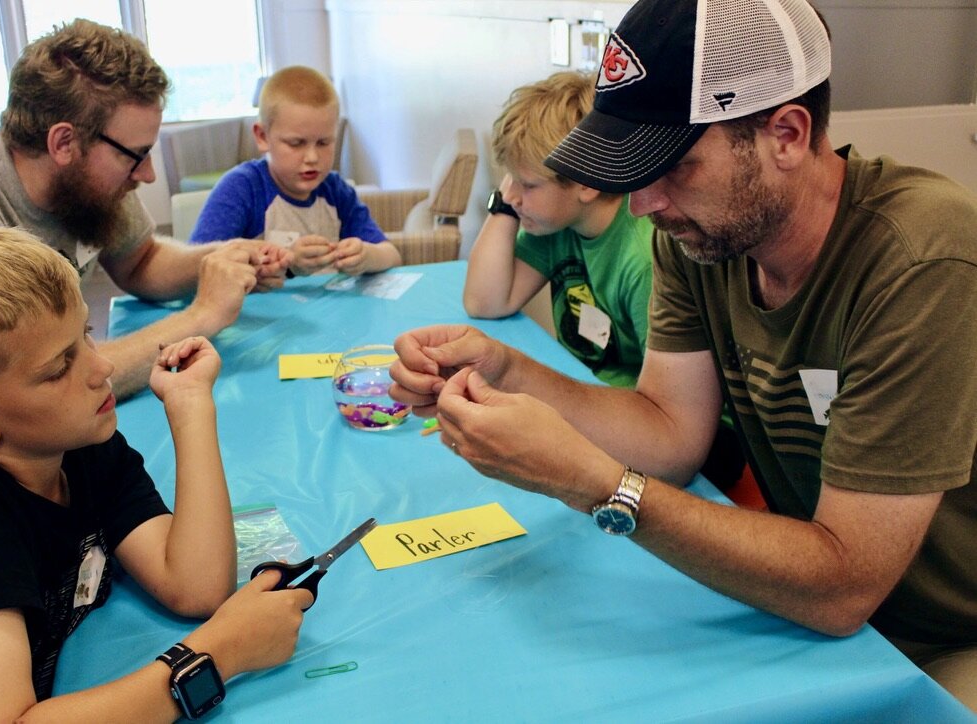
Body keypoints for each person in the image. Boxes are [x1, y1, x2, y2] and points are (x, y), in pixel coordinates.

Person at [389, 0, 977, 709]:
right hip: (826, 607)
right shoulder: (702, 237)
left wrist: (595, 485)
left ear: (786, 134)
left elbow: (845, 585)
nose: (643, 206)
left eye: (672, 166)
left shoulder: (920, 260)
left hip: (944, 631)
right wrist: (506, 370)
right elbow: (668, 433)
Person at [0, 224, 311, 722]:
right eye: (57, 368)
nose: (101, 369)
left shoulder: (80, 449)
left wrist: (191, 405)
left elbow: (195, 585)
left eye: (86, 335)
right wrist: (217, 655)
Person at [0, 19, 288, 495]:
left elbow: (140, 261)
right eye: (134, 154)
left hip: (32, 389)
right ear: (63, 143)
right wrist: (204, 314)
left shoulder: (89, 184)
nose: (146, 174)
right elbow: (47, 384)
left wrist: (222, 260)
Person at [464, 71, 744, 489]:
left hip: (681, 436)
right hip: (601, 399)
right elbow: (485, 301)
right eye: (510, 183)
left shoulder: (644, 257)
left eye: (527, 184)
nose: (513, 196)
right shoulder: (556, 228)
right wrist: (505, 209)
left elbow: (672, 425)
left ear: (584, 185)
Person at [189, 65, 402, 276]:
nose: (312, 158)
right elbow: (200, 267)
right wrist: (287, 263)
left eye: (324, 142)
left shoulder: (337, 191)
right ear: (262, 137)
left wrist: (367, 257)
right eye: (296, 143)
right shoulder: (242, 188)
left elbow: (391, 255)